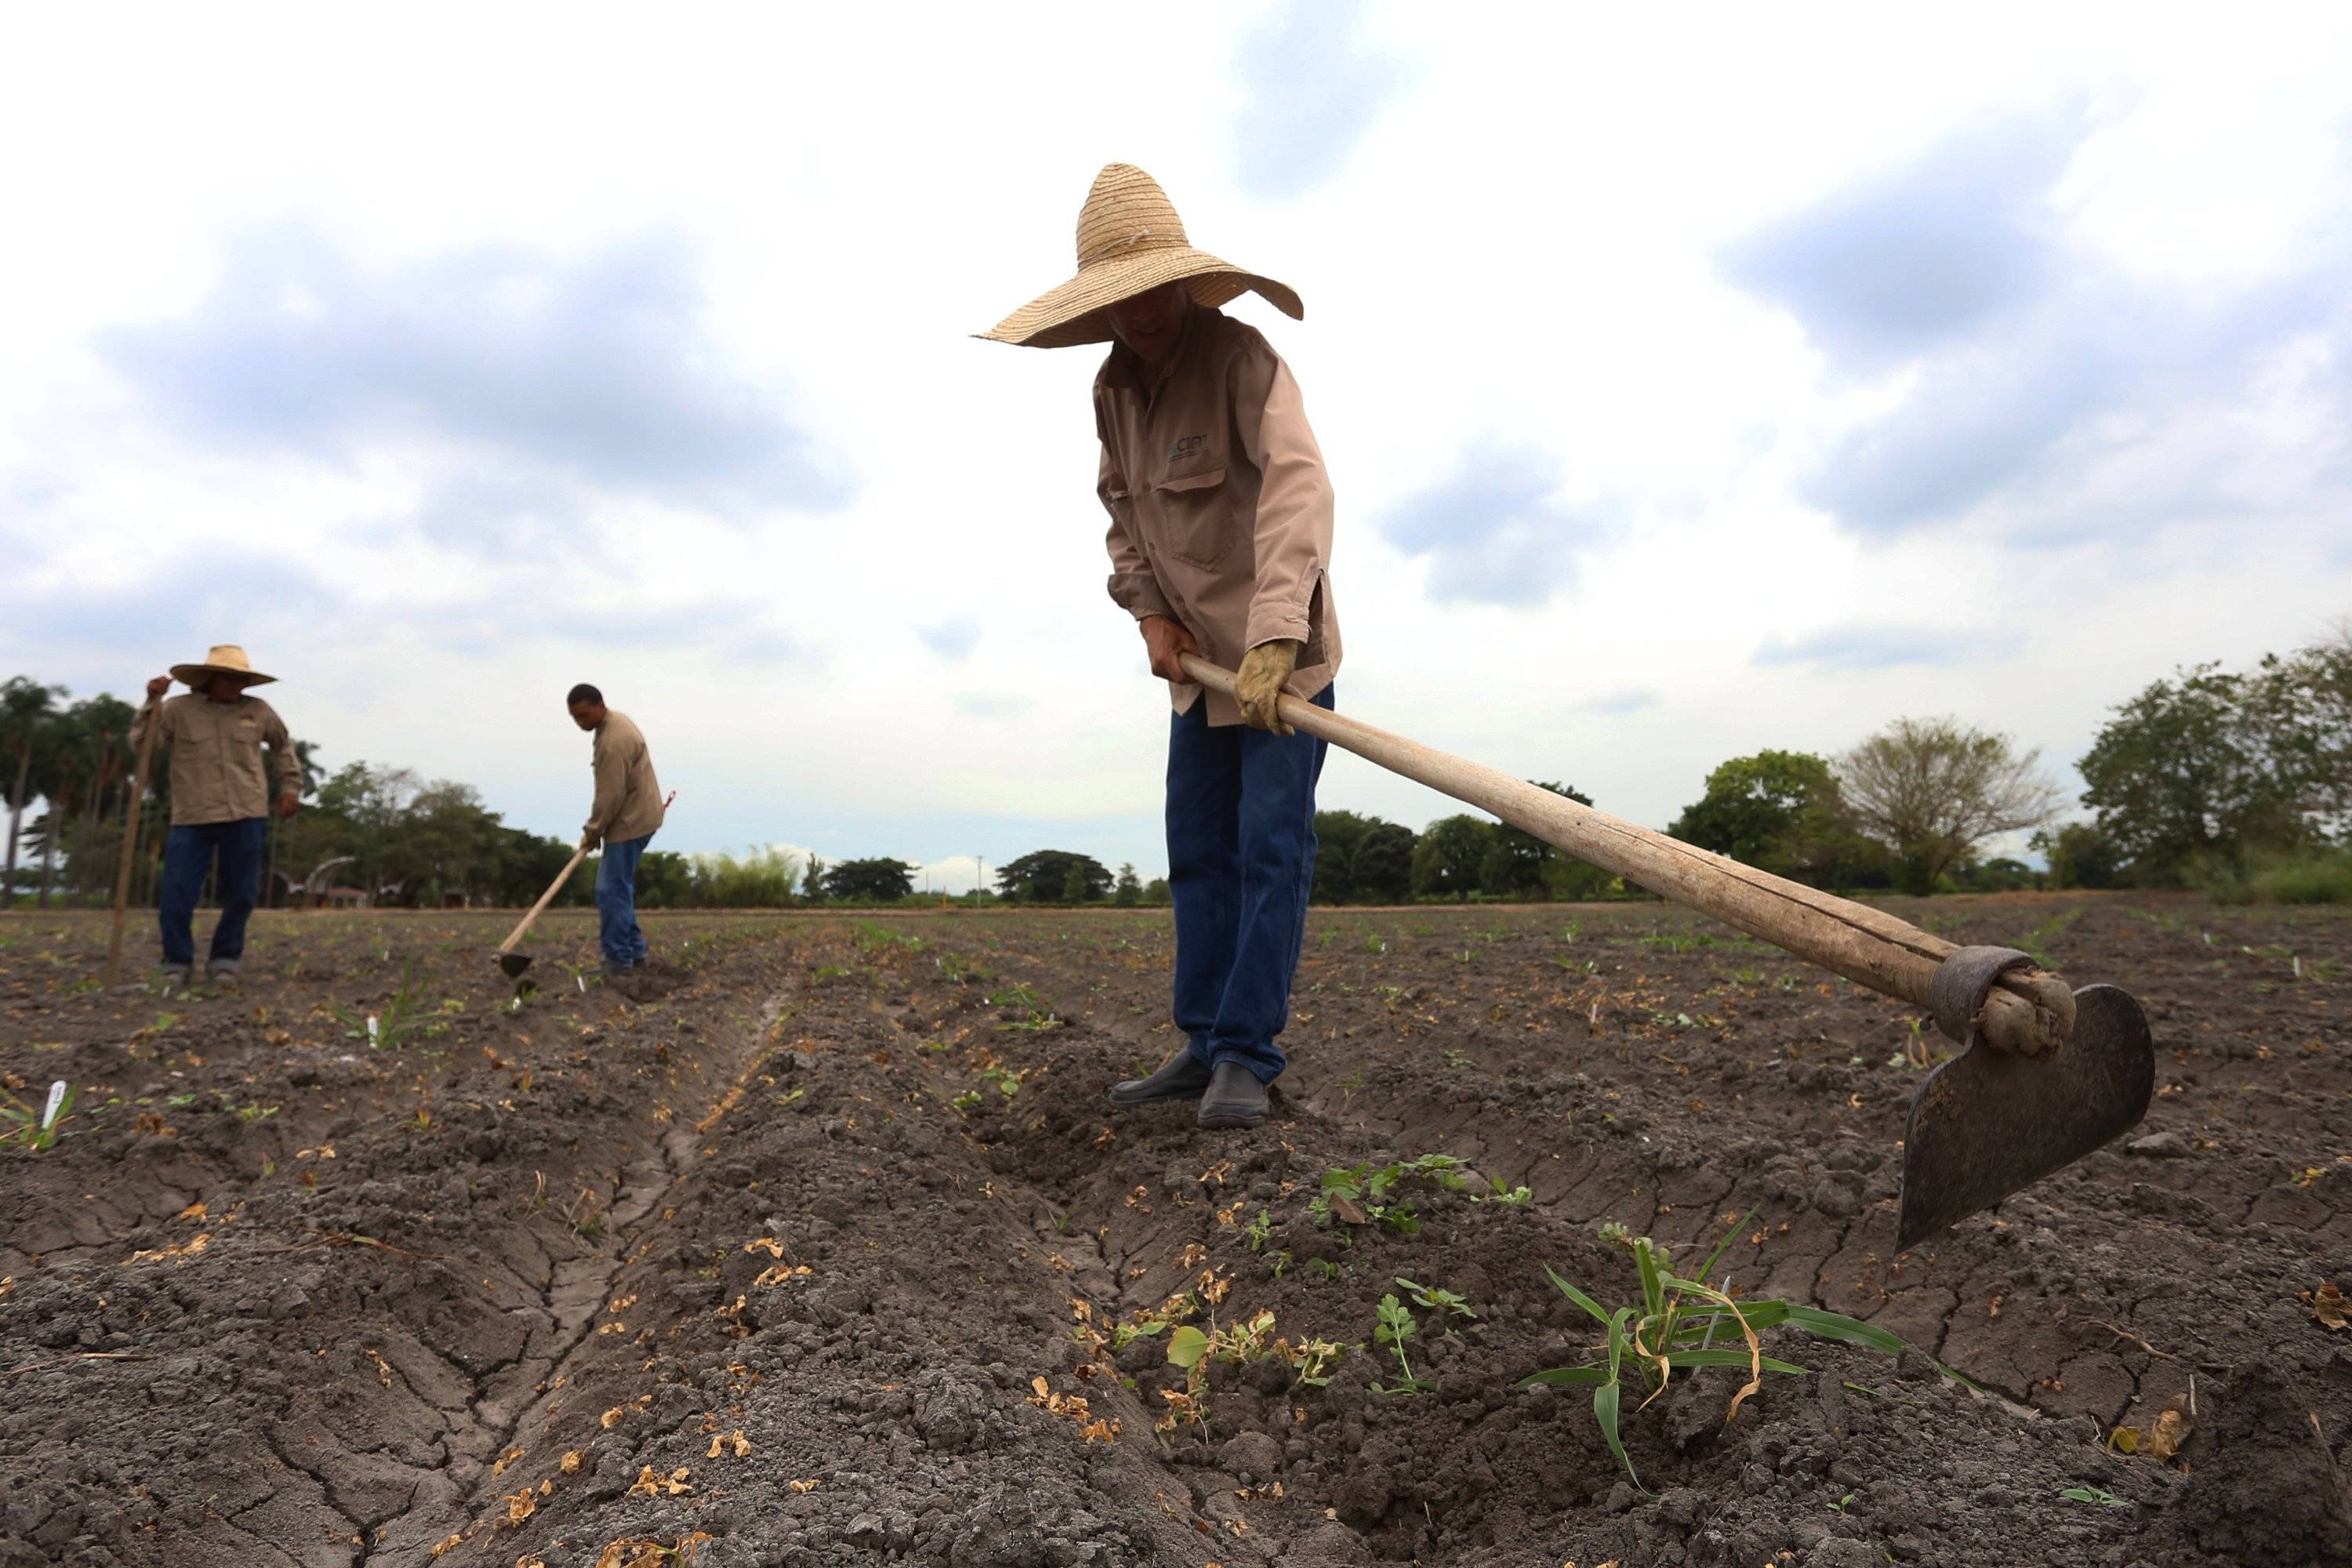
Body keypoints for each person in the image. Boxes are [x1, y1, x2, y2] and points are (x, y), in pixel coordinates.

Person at [980, 164, 1342, 1131]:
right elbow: (1121, 518)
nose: (1138, 313)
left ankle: (1246, 1057)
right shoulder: (1113, 391)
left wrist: (1274, 636)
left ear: (1183, 282)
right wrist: (1150, 617)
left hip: (1278, 667)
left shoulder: (1241, 360)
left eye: (1151, 290)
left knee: (1271, 852)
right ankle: (1200, 1040)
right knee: (1198, 853)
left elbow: (1298, 490)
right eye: (1117, 298)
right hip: (1198, 676)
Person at [131, 645, 302, 989]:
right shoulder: (177, 710)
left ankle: (225, 961)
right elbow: (144, 745)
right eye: (227, 677)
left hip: (247, 811)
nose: (233, 684)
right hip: (192, 814)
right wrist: (152, 702)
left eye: (240, 678)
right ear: (208, 678)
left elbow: (283, 746)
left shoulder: (258, 711)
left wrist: (291, 787)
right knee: (177, 893)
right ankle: (177, 963)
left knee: (241, 893)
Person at [567, 683, 666, 975]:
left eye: (584, 716)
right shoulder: (614, 724)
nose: (580, 723)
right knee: (619, 889)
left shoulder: (613, 740)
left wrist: (593, 830)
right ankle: (634, 953)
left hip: (631, 821)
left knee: (609, 889)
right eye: (575, 718)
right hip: (636, 815)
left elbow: (610, 794)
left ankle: (618, 960)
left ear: (600, 706)